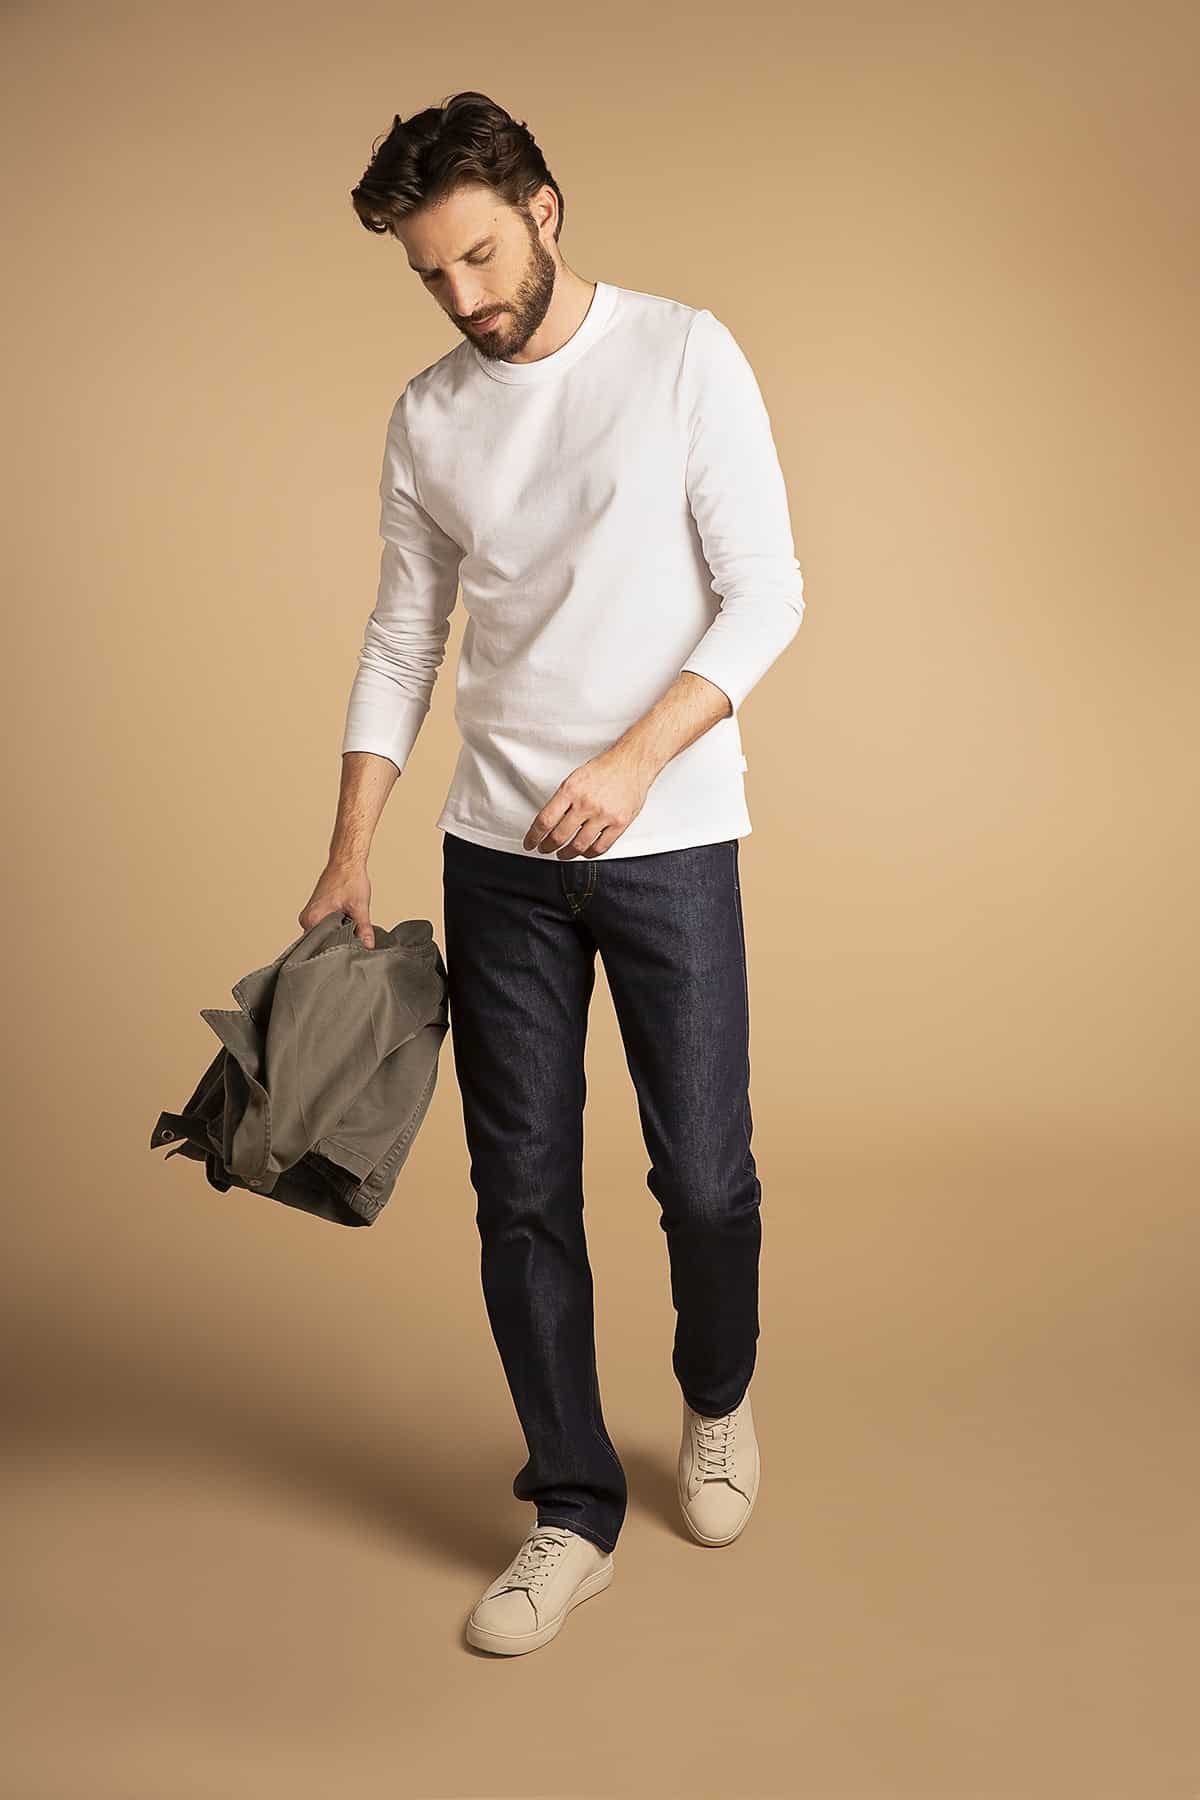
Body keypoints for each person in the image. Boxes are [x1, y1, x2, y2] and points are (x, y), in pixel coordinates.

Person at [299, 90, 805, 1657]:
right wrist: (349, 849)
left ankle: (715, 1397)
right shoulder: (429, 417)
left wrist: (634, 762)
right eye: (430, 277)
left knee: (703, 1178)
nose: (464, 299)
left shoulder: (683, 356)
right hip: (497, 862)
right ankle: (572, 1510)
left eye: (479, 258)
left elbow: (768, 594)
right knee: (519, 1196)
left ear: (546, 209)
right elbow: (405, 636)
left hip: (670, 842)